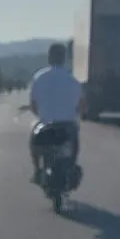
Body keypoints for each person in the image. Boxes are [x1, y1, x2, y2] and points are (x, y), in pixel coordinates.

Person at [28, 42, 85, 184]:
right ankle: (71, 167)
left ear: (49, 58)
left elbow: (33, 105)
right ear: (64, 58)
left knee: (34, 143)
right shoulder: (73, 80)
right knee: (75, 144)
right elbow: (81, 106)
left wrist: (42, 116)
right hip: (68, 126)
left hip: (45, 125)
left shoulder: (39, 77)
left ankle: (37, 170)